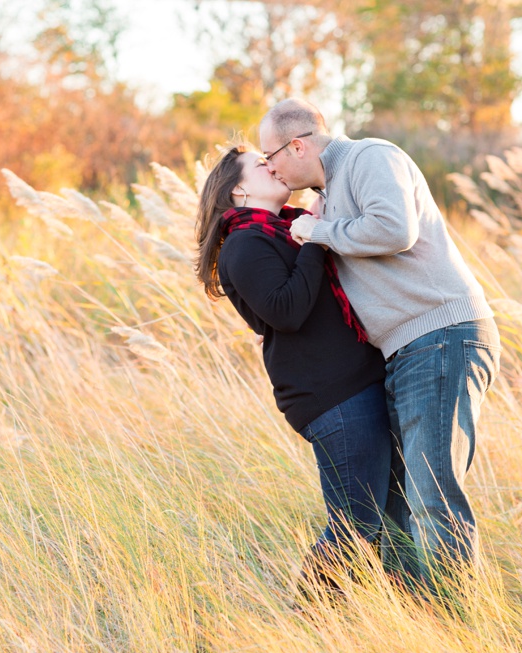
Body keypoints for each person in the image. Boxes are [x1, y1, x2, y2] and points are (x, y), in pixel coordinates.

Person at [258, 98, 501, 589]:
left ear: (298, 144)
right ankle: (418, 621)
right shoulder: (323, 197)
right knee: (398, 504)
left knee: (432, 494)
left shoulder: (371, 157)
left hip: (440, 335)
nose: (270, 167)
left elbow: (395, 229)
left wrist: (319, 231)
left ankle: (456, 623)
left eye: (272, 156)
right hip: (404, 352)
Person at [195, 144, 391, 599]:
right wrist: (313, 238)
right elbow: (286, 311)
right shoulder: (245, 244)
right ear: (239, 189)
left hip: (351, 385)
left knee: (373, 521)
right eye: (262, 166)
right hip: (331, 395)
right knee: (355, 524)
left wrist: (313, 231)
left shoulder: (280, 232)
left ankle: (369, 619)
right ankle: (309, 618)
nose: (274, 167)